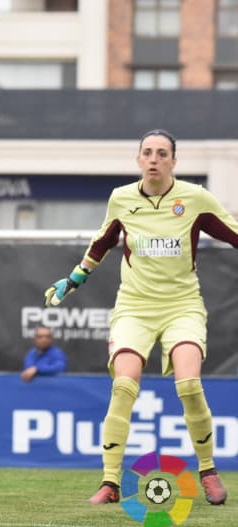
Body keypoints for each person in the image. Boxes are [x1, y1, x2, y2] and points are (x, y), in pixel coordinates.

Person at [45, 129, 237, 506]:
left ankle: (208, 470)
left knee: (189, 385)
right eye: (147, 152)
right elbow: (101, 243)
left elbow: (234, 233)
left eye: (162, 153)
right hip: (134, 308)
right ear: (138, 160)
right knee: (123, 385)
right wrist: (73, 279)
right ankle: (110, 482)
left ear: (173, 162)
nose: (154, 159)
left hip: (182, 306)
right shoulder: (121, 199)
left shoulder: (194, 198)